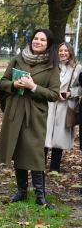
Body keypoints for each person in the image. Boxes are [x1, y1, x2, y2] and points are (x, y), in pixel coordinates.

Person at [0, 28, 60, 209]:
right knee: (18, 150)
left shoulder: (51, 65)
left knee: (35, 152)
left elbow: (54, 94)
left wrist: (33, 87)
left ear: (48, 45)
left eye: (42, 40)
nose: (37, 42)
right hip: (16, 111)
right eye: (36, 39)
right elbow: (2, 82)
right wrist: (14, 85)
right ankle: (22, 192)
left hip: (35, 115)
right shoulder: (18, 58)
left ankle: (41, 196)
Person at [44, 42, 80, 173]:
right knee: (45, 133)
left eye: (66, 50)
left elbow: (80, 88)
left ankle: (55, 167)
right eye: (60, 51)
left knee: (59, 138)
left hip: (65, 106)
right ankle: (40, 165)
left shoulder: (77, 68)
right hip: (49, 103)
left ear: (70, 52)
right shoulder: (50, 66)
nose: (63, 53)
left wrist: (71, 93)